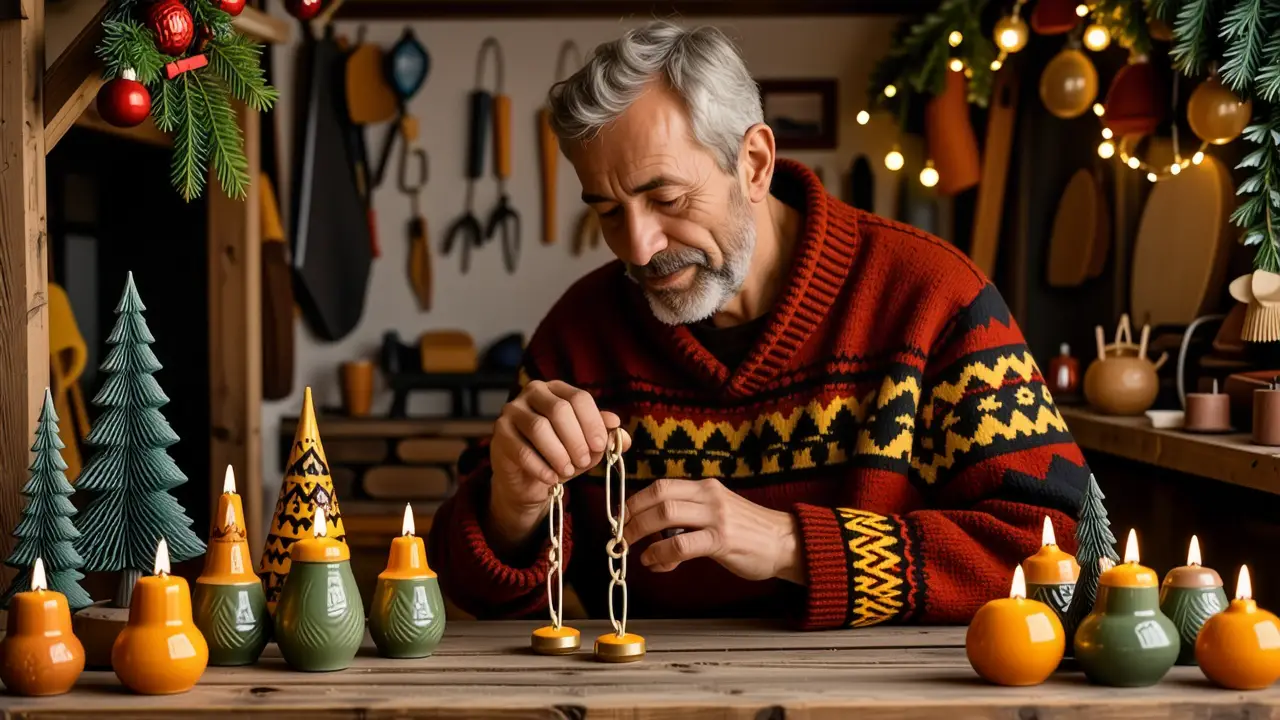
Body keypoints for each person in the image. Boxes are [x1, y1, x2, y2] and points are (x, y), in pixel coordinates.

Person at [427, 21, 1089, 629]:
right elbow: (481, 598)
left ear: (755, 163)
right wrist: (511, 509)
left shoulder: (933, 298)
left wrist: (788, 543)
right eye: (606, 210)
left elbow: (1060, 561)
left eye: (667, 198)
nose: (637, 247)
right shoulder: (579, 335)